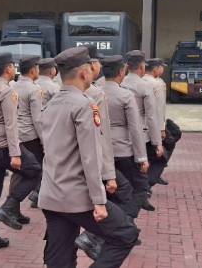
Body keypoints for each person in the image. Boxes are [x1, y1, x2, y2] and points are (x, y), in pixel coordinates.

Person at [39, 46, 139, 268]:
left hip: (51, 193)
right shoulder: (84, 105)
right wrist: (99, 201)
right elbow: (90, 157)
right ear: (84, 72)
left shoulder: (50, 104)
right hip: (77, 196)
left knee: (60, 258)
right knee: (125, 233)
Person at [0, 52, 41, 250]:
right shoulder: (6, 91)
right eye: (13, 66)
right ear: (8, 69)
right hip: (3, 146)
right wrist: (15, 153)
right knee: (35, 171)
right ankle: (10, 206)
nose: (15, 69)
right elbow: (10, 124)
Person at [104, 55, 150, 212]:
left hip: (101, 151)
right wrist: (141, 157)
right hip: (123, 150)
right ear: (121, 72)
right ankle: (122, 226)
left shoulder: (94, 92)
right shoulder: (125, 95)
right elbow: (135, 128)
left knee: (109, 193)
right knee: (140, 189)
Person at [120, 50, 163, 204]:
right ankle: (138, 199)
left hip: (119, 136)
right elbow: (151, 117)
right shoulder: (144, 86)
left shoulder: (120, 83)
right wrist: (157, 142)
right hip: (140, 134)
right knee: (139, 171)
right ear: (142, 66)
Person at [11, 54, 43, 220]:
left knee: (18, 172)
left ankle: (13, 209)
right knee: (37, 170)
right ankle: (15, 204)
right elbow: (37, 119)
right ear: (32, 70)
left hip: (16, 134)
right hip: (30, 135)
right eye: (37, 67)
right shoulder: (34, 89)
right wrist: (44, 141)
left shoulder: (12, 86)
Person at [144, 59, 170, 187]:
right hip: (152, 124)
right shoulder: (156, 84)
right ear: (156, 68)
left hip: (142, 124)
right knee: (158, 154)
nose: (163, 70)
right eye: (161, 67)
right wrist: (161, 128)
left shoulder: (141, 80)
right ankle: (150, 180)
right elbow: (159, 108)